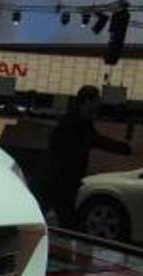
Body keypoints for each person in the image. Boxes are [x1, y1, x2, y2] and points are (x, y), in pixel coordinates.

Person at [48, 85, 132, 228]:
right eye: (96, 101)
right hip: (64, 178)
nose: (98, 104)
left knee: (63, 215)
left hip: (63, 177)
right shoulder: (77, 123)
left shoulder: (74, 121)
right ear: (87, 101)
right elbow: (98, 141)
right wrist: (126, 149)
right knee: (66, 216)